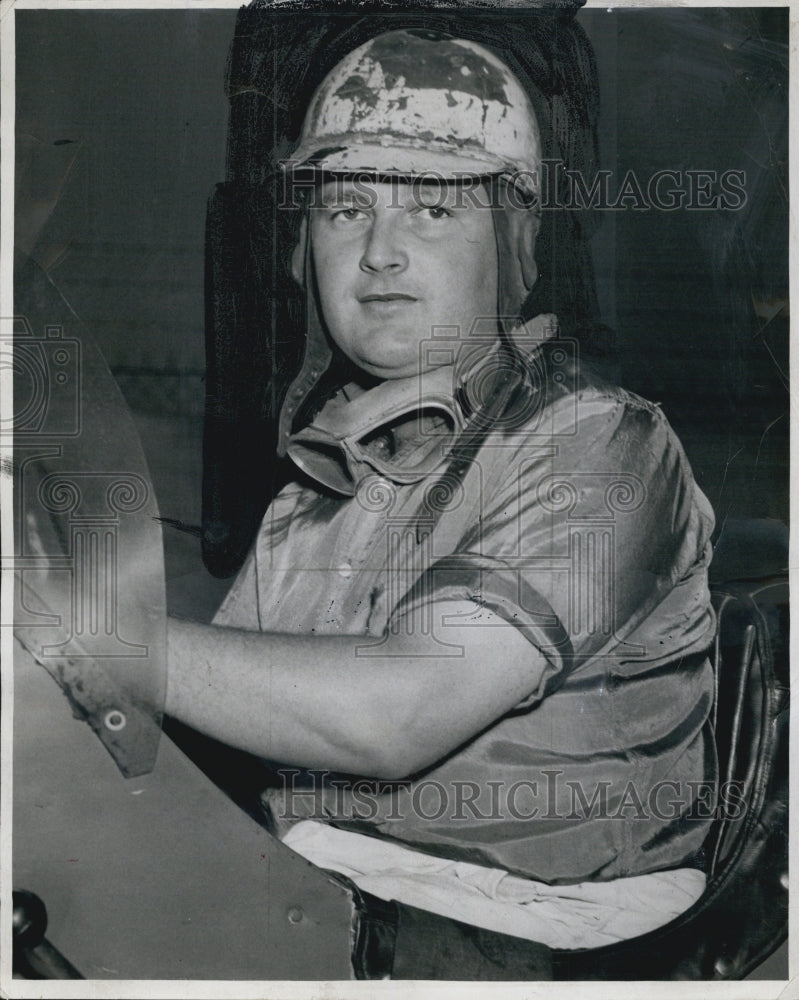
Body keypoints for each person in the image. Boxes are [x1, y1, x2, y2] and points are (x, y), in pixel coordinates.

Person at [166, 30, 717, 955]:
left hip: (524, 934)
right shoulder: (321, 482)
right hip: (327, 894)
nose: (378, 250)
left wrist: (97, 637)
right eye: (344, 209)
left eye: (430, 208)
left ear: (513, 242)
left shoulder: (600, 444)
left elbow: (396, 714)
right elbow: (227, 710)